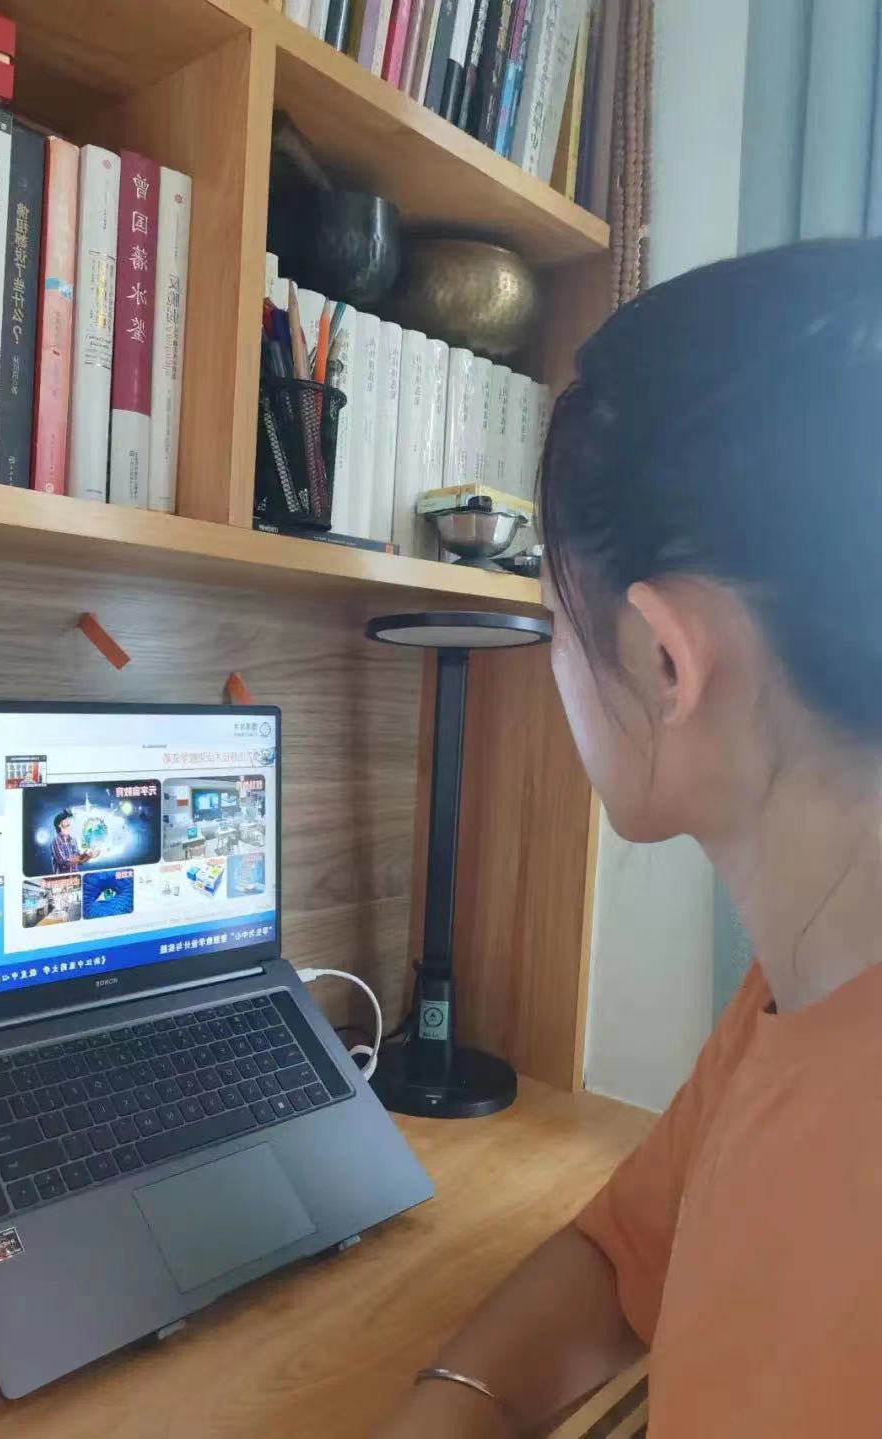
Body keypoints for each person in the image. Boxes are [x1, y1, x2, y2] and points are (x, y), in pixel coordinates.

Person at [374, 239, 882, 1438]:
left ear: (664, 660)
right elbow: (623, 1250)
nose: (556, 661)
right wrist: (457, 1404)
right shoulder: (802, 980)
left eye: (555, 618)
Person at [49, 809, 94, 874]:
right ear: (59, 824)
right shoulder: (56, 841)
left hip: (75, 877)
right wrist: (80, 858)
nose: (67, 820)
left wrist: (87, 856)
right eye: (65, 819)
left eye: (67, 818)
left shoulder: (73, 840)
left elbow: (79, 860)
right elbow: (63, 862)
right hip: (62, 879)